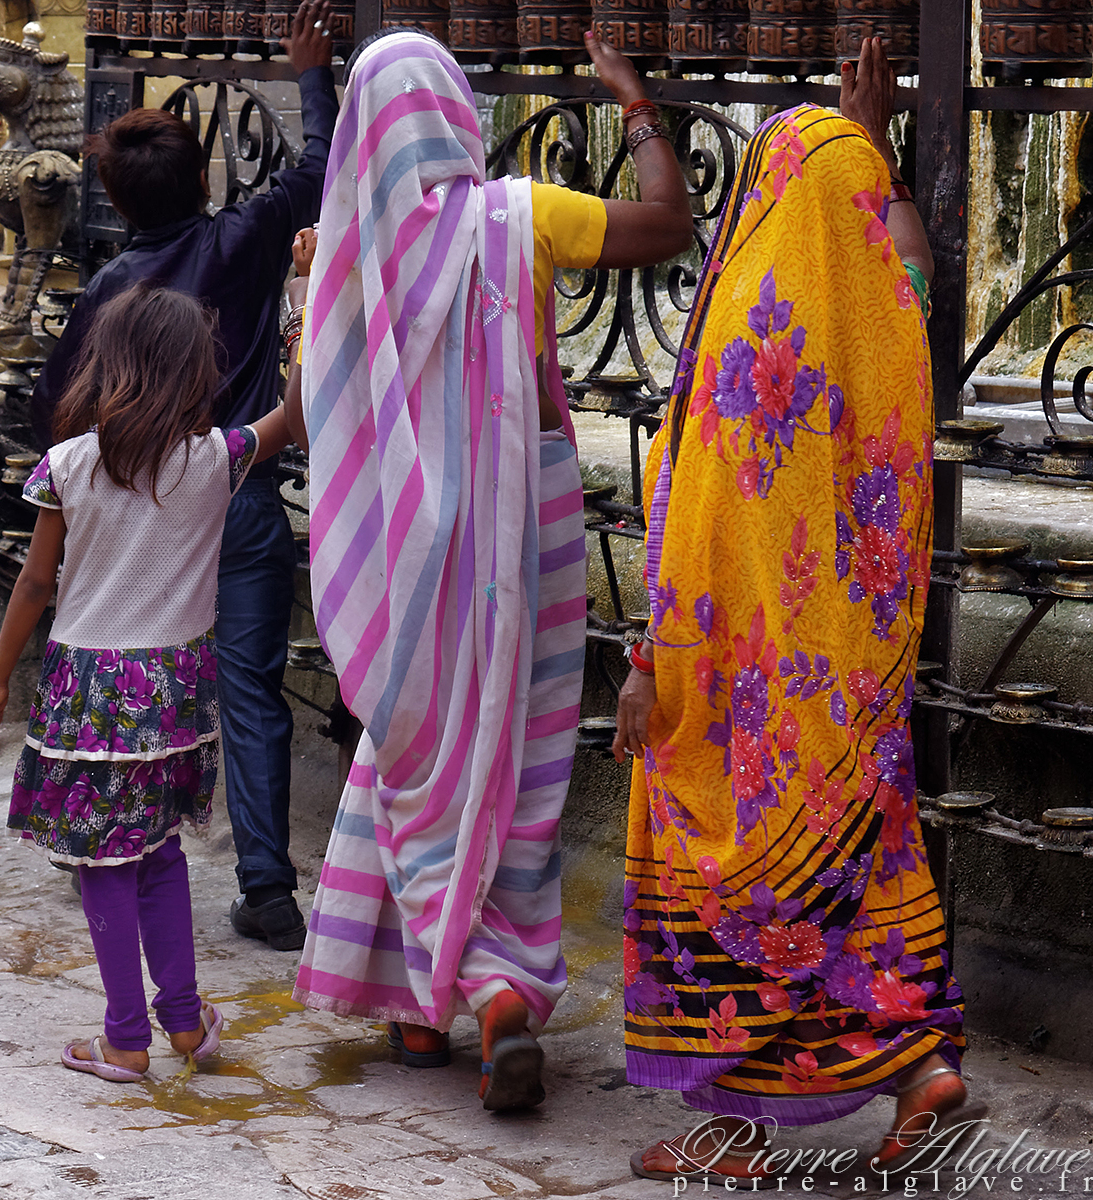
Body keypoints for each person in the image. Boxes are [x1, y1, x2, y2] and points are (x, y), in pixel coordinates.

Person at [287, 27, 694, 1110]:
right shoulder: (522, 218)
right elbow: (670, 225)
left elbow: (320, 416)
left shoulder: (343, 265)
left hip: (402, 557)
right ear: (455, 116)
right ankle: (495, 990)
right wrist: (634, 102)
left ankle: (434, 1010)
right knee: (509, 757)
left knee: (414, 750)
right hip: (528, 532)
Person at [611, 38, 978, 1184]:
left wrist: (645, 668)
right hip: (857, 684)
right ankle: (921, 1069)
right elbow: (905, 249)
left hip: (742, 698)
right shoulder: (889, 318)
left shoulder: (741, 349)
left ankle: (736, 1131)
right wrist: (875, 147)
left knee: (744, 887)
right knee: (856, 870)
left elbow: (691, 538)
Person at [28, 0, 339, 952]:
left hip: (137, 512)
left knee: (115, 658)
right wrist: (310, 69)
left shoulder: (106, 294)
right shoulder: (242, 237)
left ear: (116, 204)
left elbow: (52, 416)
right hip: (236, 491)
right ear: (201, 179)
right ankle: (269, 888)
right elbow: (321, 167)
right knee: (248, 690)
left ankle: (108, 838)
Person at [0, 285, 292, 1080]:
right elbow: (299, 414)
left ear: (108, 365)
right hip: (176, 686)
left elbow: (34, 584)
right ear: (194, 372)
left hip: (87, 689)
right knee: (157, 851)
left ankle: (124, 1037)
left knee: (103, 861)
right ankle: (181, 1018)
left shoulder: (68, 466)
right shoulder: (215, 458)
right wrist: (303, 302)